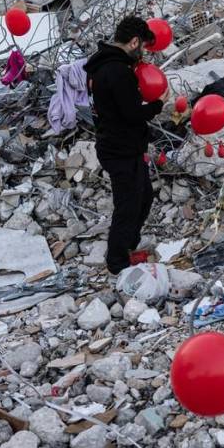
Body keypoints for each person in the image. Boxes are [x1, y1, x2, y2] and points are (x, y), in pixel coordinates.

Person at [84, 16, 167, 274]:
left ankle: (128, 247)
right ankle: (118, 263)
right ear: (134, 42)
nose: (142, 52)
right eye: (142, 46)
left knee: (143, 198)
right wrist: (158, 104)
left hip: (123, 146)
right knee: (128, 206)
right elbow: (131, 112)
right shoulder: (117, 71)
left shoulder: (108, 65)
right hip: (119, 149)